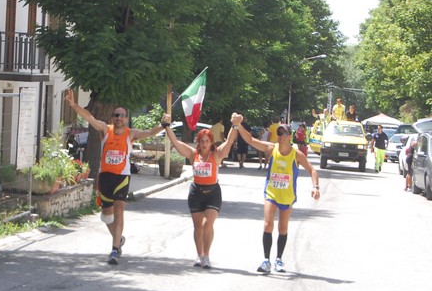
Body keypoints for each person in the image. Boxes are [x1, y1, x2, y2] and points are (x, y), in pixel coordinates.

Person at [64, 89, 163, 265]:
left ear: (126, 119)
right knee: (106, 216)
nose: (119, 118)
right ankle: (119, 239)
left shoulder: (130, 134)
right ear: (113, 118)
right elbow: (89, 117)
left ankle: (114, 249)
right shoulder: (105, 129)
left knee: (119, 210)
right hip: (105, 177)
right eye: (117, 115)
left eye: (122, 116)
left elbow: (150, 132)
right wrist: (73, 105)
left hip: (122, 177)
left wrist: (164, 125)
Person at [232, 114, 320, 274]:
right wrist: (238, 126)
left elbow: (312, 169)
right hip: (271, 193)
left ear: (289, 136)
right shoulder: (272, 149)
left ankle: (279, 259)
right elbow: (251, 141)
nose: (280, 137)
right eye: (279, 134)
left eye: (284, 134)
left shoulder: (296, 154)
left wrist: (315, 187)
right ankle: (266, 260)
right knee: (267, 224)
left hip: (287, 196)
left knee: (282, 227)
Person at [161, 112, 237, 269]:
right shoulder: (192, 154)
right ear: (198, 142)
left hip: (212, 193)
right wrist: (167, 126)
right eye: (201, 141)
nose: (203, 144)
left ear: (211, 143)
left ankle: (207, 256)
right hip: (196, 193)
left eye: (206, 141)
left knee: (207, 223)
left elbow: (229, 142)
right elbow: (175, 142)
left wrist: (235, 125)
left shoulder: (216, 155)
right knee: (198, 226)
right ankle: (199, 255)